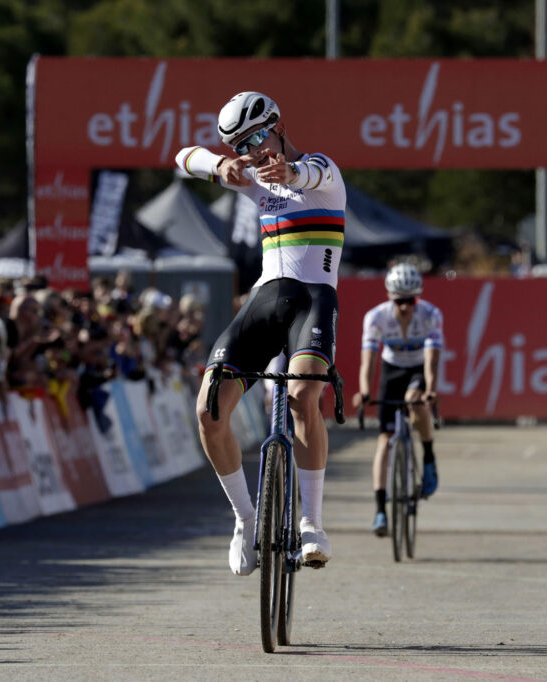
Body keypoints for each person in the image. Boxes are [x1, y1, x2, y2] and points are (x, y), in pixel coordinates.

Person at [176, 91, 346, 575]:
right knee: (209, 409)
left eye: (257, 137)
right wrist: (218, 167)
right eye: (240, 146)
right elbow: (182, 157)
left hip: (313, 301)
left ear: (279, 125)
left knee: (303, 394)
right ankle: (245, 521)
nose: (252, 151)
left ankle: (312, 523)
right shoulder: (250, 178)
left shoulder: (320, 170)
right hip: (265, 300)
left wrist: (290, 175)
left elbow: (310, 173)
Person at [352, 263, 443, 536]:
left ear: (418, 297)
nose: (405, 307)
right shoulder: (376, 317)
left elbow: (432, 360)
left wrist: (431, 390)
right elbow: (368, 360)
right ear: (390, 297)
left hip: (418, 369)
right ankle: (380, 510)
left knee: (415, 400)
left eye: (410, 300)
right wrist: (365, 390)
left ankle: (427, 456)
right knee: (384, 440)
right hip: (391, 371)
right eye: (399, 301)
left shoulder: (430, 315)